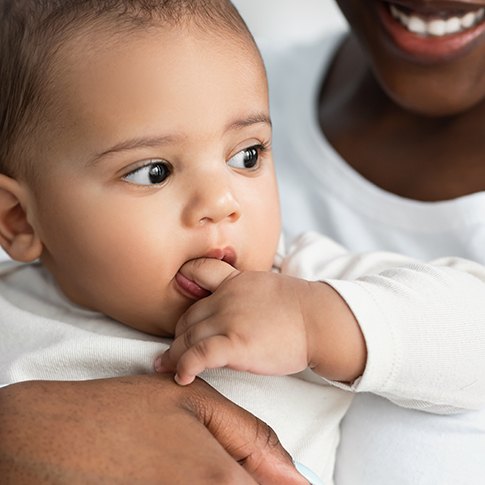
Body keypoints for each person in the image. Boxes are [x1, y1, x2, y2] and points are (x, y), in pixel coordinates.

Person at [1, 1, 485, 484]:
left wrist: (319, 322)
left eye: (247, 155)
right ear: (20, 219)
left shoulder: (296, 281)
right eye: (155, 172)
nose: (221, 201)